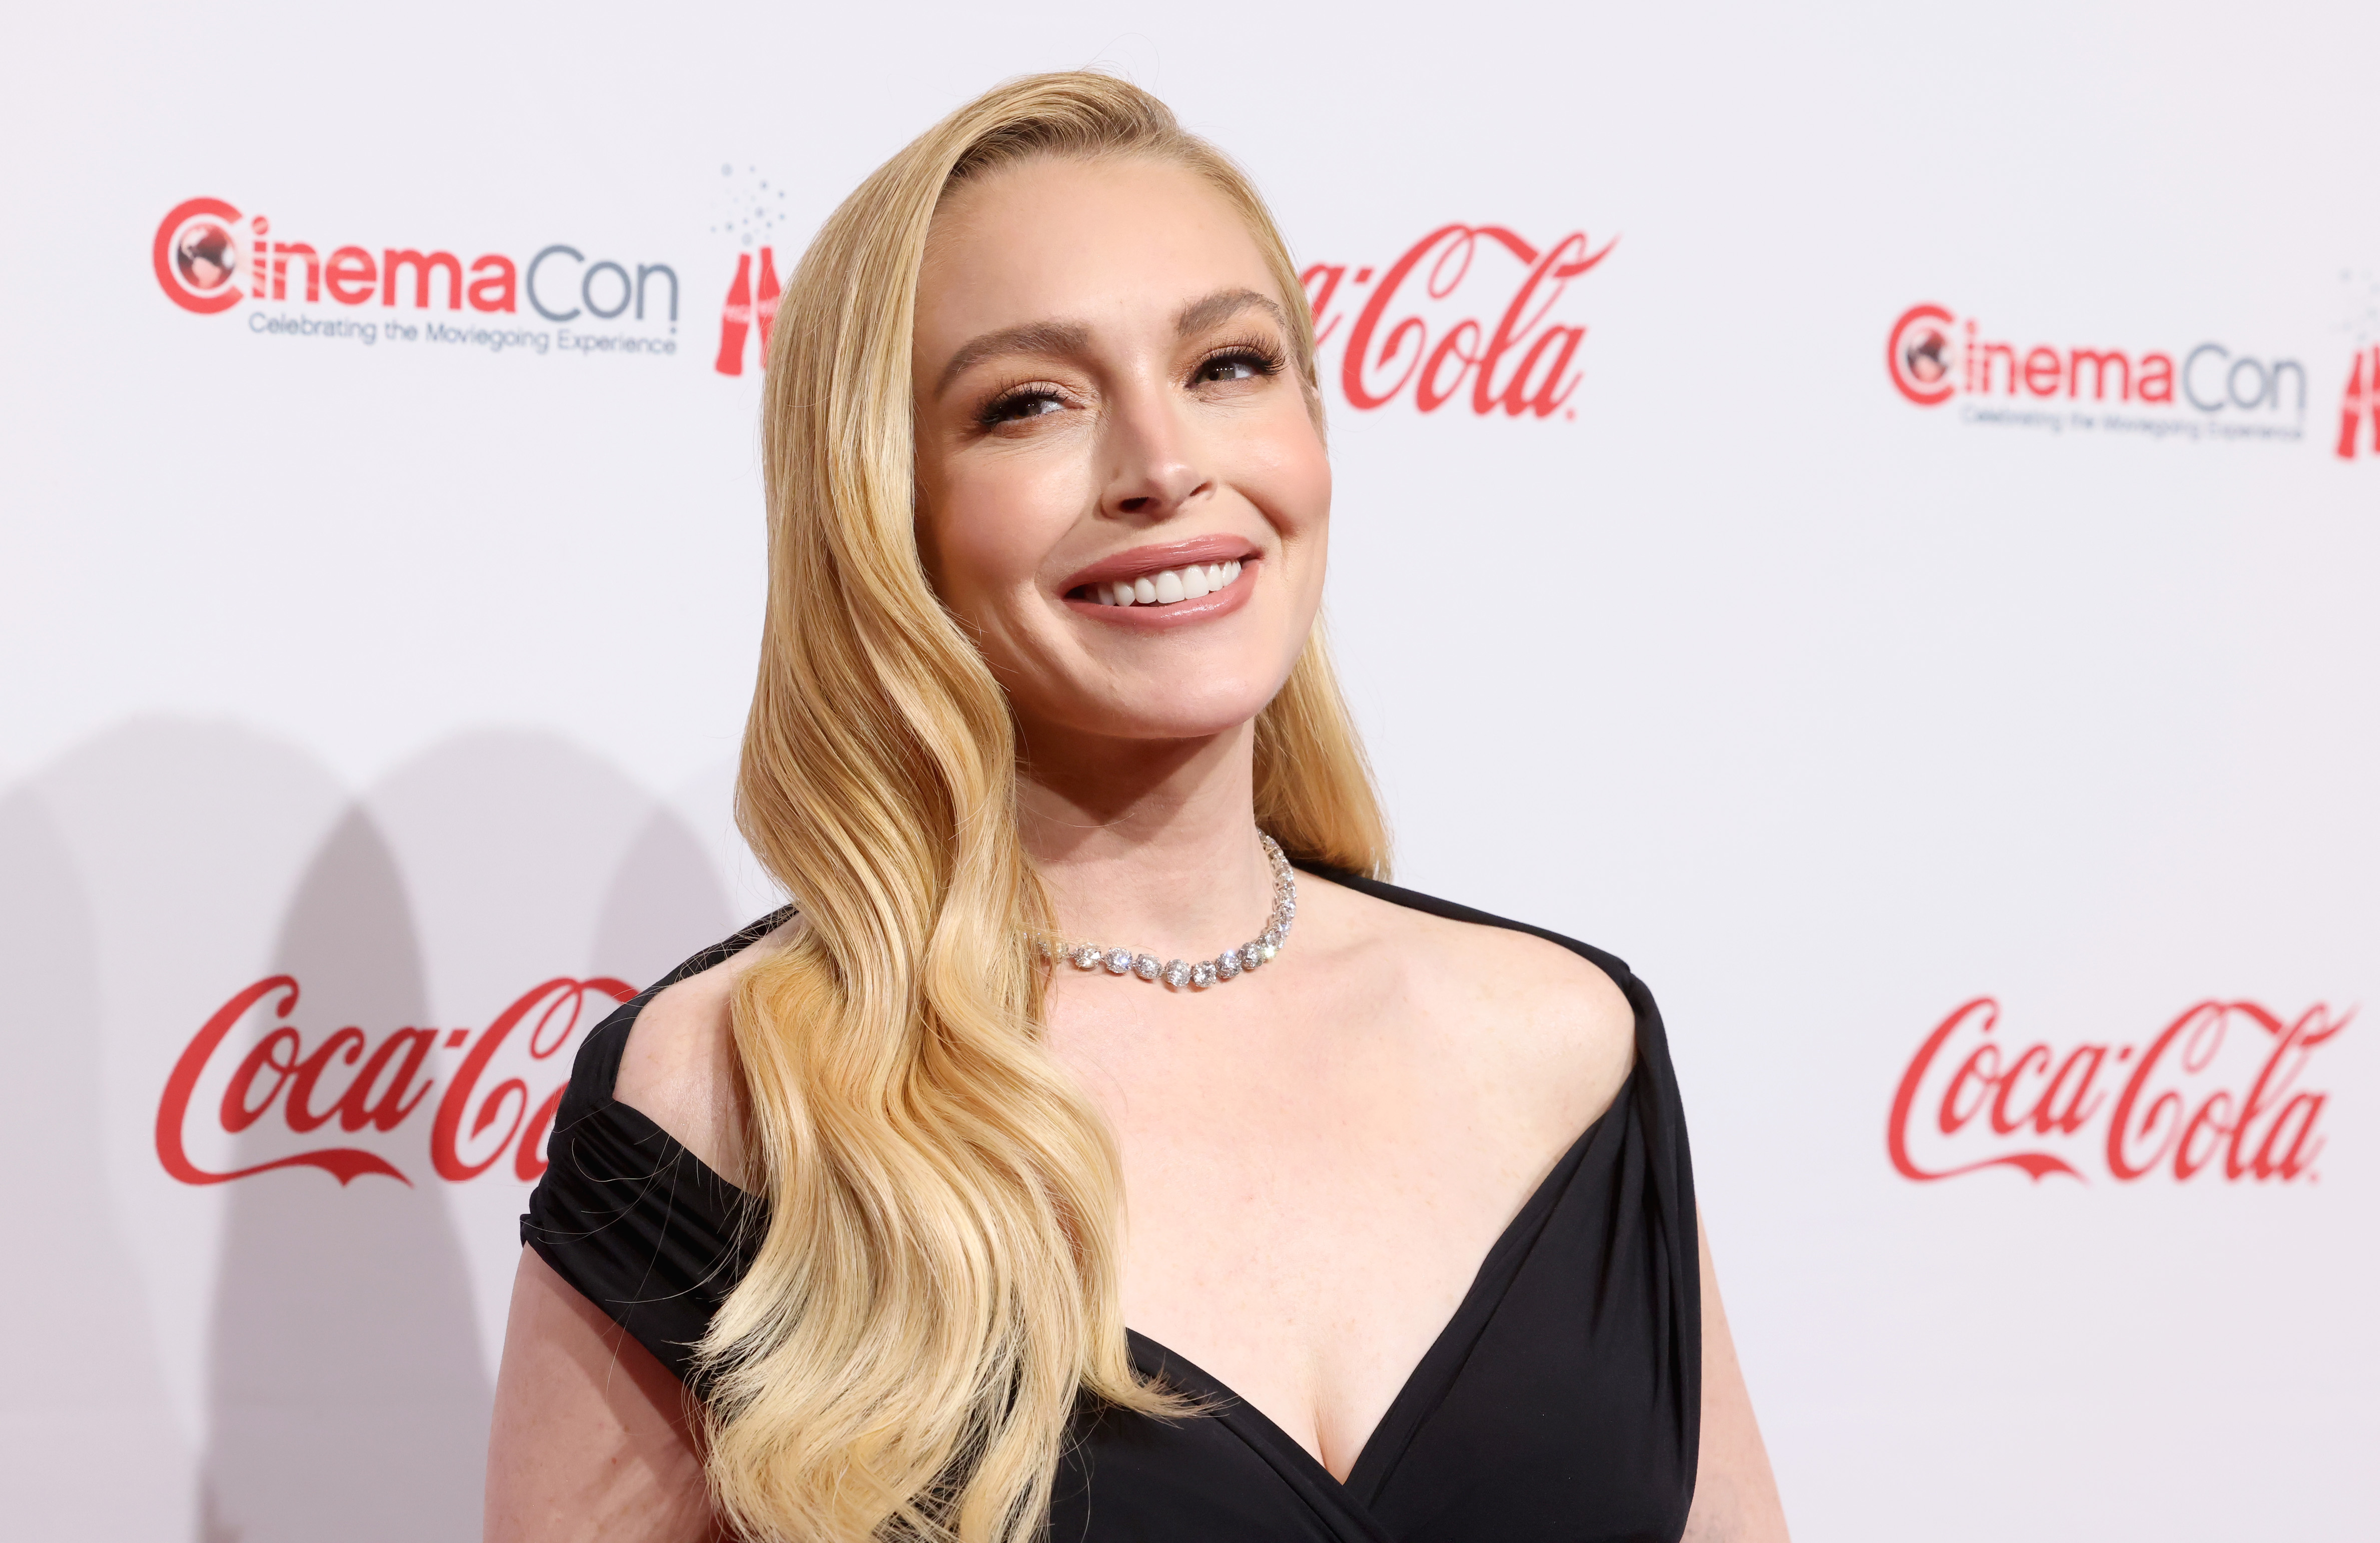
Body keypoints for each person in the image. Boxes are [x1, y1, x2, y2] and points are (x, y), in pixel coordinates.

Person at [486, 72, 1788, 1543]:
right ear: (887, 510)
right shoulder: (728, 1097)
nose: (1167, 468)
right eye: (1030, 402)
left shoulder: (1568, 1044)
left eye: (1227, 365)